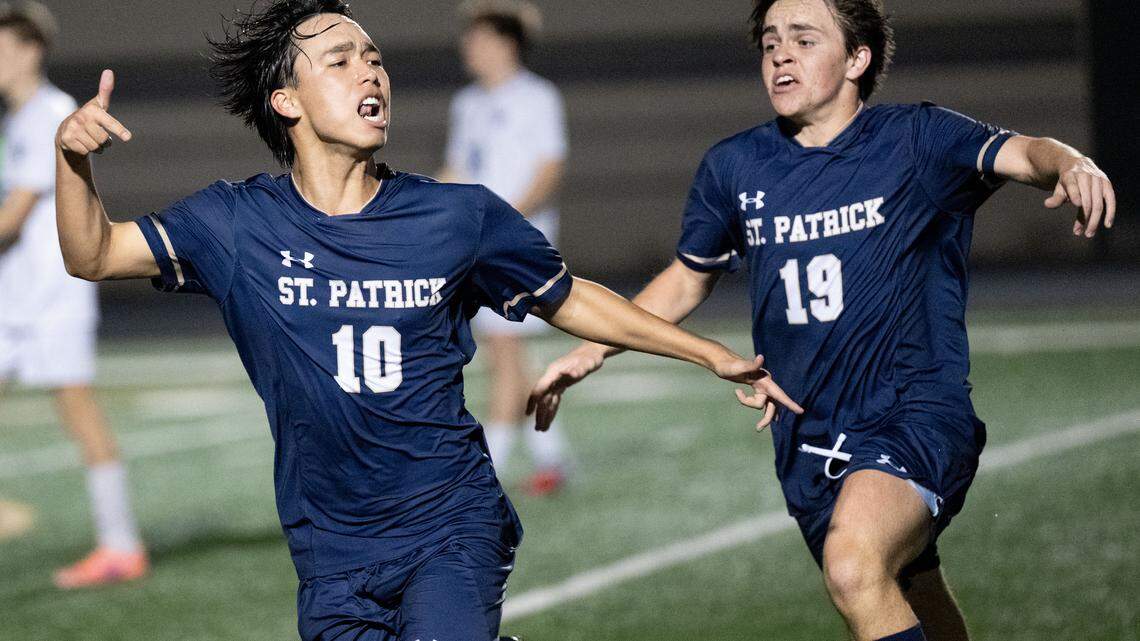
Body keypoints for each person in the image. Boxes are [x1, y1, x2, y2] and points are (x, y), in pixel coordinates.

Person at [52, 1, 800, 639]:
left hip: (450, 522)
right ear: (287, 100)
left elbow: (570, 296)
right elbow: (92, 254)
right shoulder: (236, 223)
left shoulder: (456, 216)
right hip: (329, 547)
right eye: (341, 61)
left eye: (374, 59)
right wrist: (72, 161)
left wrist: (707, 352)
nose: (371, 72)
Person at [529, 1, 1117, 640]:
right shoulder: (734, 166)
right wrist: (592, 349)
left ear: (857, 60)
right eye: (771, 43)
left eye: (804, 40)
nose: (781, 54)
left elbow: (1028, 153)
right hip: (808, 434)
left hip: (914, 412)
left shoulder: (916, 139)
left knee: (852, 566)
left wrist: (1072, 164)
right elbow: (689, 276)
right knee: (906, 585)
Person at [0, 0, 147, 589]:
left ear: (31, 49)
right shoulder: (15, 120)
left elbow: (15, 217)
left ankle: (120, 546)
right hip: (15, 297)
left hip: (51, 296)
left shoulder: (53, 114)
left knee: (79, 412)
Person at [439, 0, 573, 496]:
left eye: (477, 39)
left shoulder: (537, 97)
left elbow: (549, 167)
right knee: (508, 354)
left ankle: (487, 467)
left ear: (504, 44)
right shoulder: (467, 103)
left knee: (504, 349)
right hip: (478, 242)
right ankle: (551, 456)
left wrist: (506, 221)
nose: (467, 49)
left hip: (517, 243)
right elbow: (456, 170)